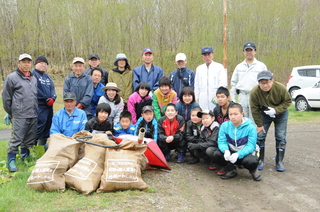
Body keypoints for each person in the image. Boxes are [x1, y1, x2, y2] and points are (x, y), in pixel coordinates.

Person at [250, 70, 291, 172]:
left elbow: (288, 101)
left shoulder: (280, 88)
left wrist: (276, 110)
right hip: (264, 115)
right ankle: (260, 160)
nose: (265, 85)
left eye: (267, 82)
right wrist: (259, 124)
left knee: (280, 136)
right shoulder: (254, 92)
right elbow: (254, 109)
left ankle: (279, 161)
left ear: (272, 80)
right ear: (258, 83)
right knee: (260, 136)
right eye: (262, 83)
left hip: (281, 114)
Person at [2, 53, 38, 172]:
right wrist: (11, 112)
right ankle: (11, 160)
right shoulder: (12, 78)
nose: (26, 64)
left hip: (32, 114)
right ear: (19, 63)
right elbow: (7, 98)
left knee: (29, 139)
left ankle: (25, 157)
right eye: (24, 62)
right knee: (16, 139)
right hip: (19, 114)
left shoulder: (33, 78)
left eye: (28, 62)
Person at [212, 103, 262, 181]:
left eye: (236, 114)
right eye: (230, 114)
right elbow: (221, 141)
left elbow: (251, 146)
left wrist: (238, 154)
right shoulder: (224, 125)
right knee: (216, 154)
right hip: (231, 152)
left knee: (251, 161)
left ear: (242, 114)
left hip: (245, 153)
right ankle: (230, 169)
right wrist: (225, 150)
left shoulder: (251, 127)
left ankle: (253, 170)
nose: (233, 117)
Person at [230, 42, 267, 119]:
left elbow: (266, 83)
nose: (249, 52)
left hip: (255, 96)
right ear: (244, 52)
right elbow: (233, 83)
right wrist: (233, 99)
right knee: (242, 120)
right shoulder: (239, 67)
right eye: (247, 50)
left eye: (251, 50)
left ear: (255, 51)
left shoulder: (261, 66)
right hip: (242, 96)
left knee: (255, 120)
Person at [31, 56, 56, 146]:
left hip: (49, 106)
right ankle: (33, 149)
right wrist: (45, 98)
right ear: (36, 64)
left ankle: (42, 148)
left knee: (47, 127)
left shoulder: (47, 77)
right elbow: (35, 89)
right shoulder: (33, 75)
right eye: (41, 63)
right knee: (39, 127)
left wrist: (53, 98)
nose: (43, 65)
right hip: (39, 105)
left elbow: (52, 89)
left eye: (45, 64)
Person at [194, 46, 227, 111]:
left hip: (215, 96)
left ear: (213, 55)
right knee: (204, 116)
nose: (207, 57)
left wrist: (219, 96)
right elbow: (197, 85)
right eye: (205, 55)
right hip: (203, 98)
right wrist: (196, 97)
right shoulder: (199, 69)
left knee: (215, 114)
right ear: (202, 57)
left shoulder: (219, 67)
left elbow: (223, 83)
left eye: (209, 54)